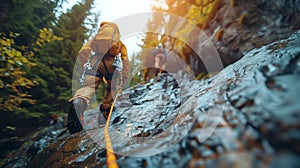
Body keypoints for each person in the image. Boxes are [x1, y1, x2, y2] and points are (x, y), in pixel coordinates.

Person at [67, 22, 130, 134]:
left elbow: (83, 52)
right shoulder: (119, 43)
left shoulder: (96, 39)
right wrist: (125, 76)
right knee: (112, 88)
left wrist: (85, 66)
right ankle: (105, 110)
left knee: (89, 87)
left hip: (95, 62)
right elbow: (125, 59)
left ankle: (79, 100)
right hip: (112, 65)